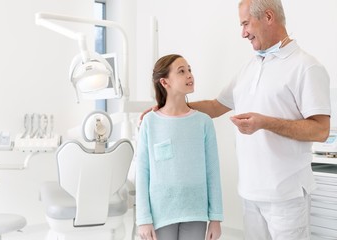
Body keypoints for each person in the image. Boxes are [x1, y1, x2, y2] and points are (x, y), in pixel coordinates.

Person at [141, 0, 331, 239]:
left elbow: (320, 130)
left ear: (268, 17)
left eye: (245, 24)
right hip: (250, 194)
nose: (243, 33)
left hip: (287, 196)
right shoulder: (249, 67)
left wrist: (265, 122)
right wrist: (165, 108)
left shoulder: (306, 67)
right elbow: (216, 106)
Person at [135, 54, 224, 240]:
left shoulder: (203, 122)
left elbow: (212, 172)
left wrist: (215, 218)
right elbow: (143, 172)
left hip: (195, 212)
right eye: (181, 71)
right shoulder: (150, 123)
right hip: (161, 214)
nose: (189, 75)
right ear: (164, 82)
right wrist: (143, 219)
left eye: (189, 70)